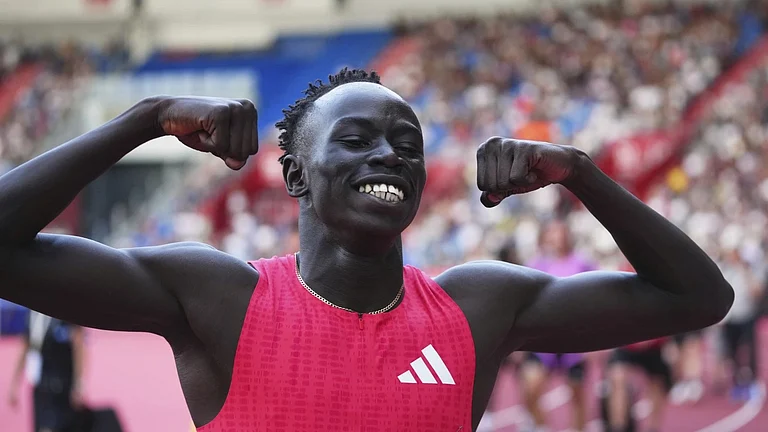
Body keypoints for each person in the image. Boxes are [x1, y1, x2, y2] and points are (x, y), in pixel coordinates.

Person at [0, 68, 733, 431]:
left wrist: (582, 174)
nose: (388, 156)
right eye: (355, 141)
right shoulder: (217, 297)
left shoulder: (479, 306)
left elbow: (698, 297)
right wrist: (145, 119)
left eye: (407, 145)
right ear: (296, 175)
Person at [518, 220, 594, 432]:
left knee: (577, 394)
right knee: (530, 389)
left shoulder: (582, 263)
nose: (554, 237)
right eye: (550, 232)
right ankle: (542, 427)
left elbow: (596, 298)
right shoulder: (534, 265)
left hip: (574, 339)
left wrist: (595, 337)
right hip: (543, 339)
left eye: (558, 232)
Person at [8, 311, 85, 432]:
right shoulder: (32, 314)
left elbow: (79, 347)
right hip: (40, 383)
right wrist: (14, 384)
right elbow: (25, 348)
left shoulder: (67, 313)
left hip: (62, 385)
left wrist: (78, 383)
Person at [719, 246, 763, 401]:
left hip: (746, 317)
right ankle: (737, 383)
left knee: (750, 352)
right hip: (730, 319)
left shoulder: (749, 270)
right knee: (732, 353)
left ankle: (753, 383)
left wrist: (744, 271)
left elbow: (757, 292)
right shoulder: (724, 270)